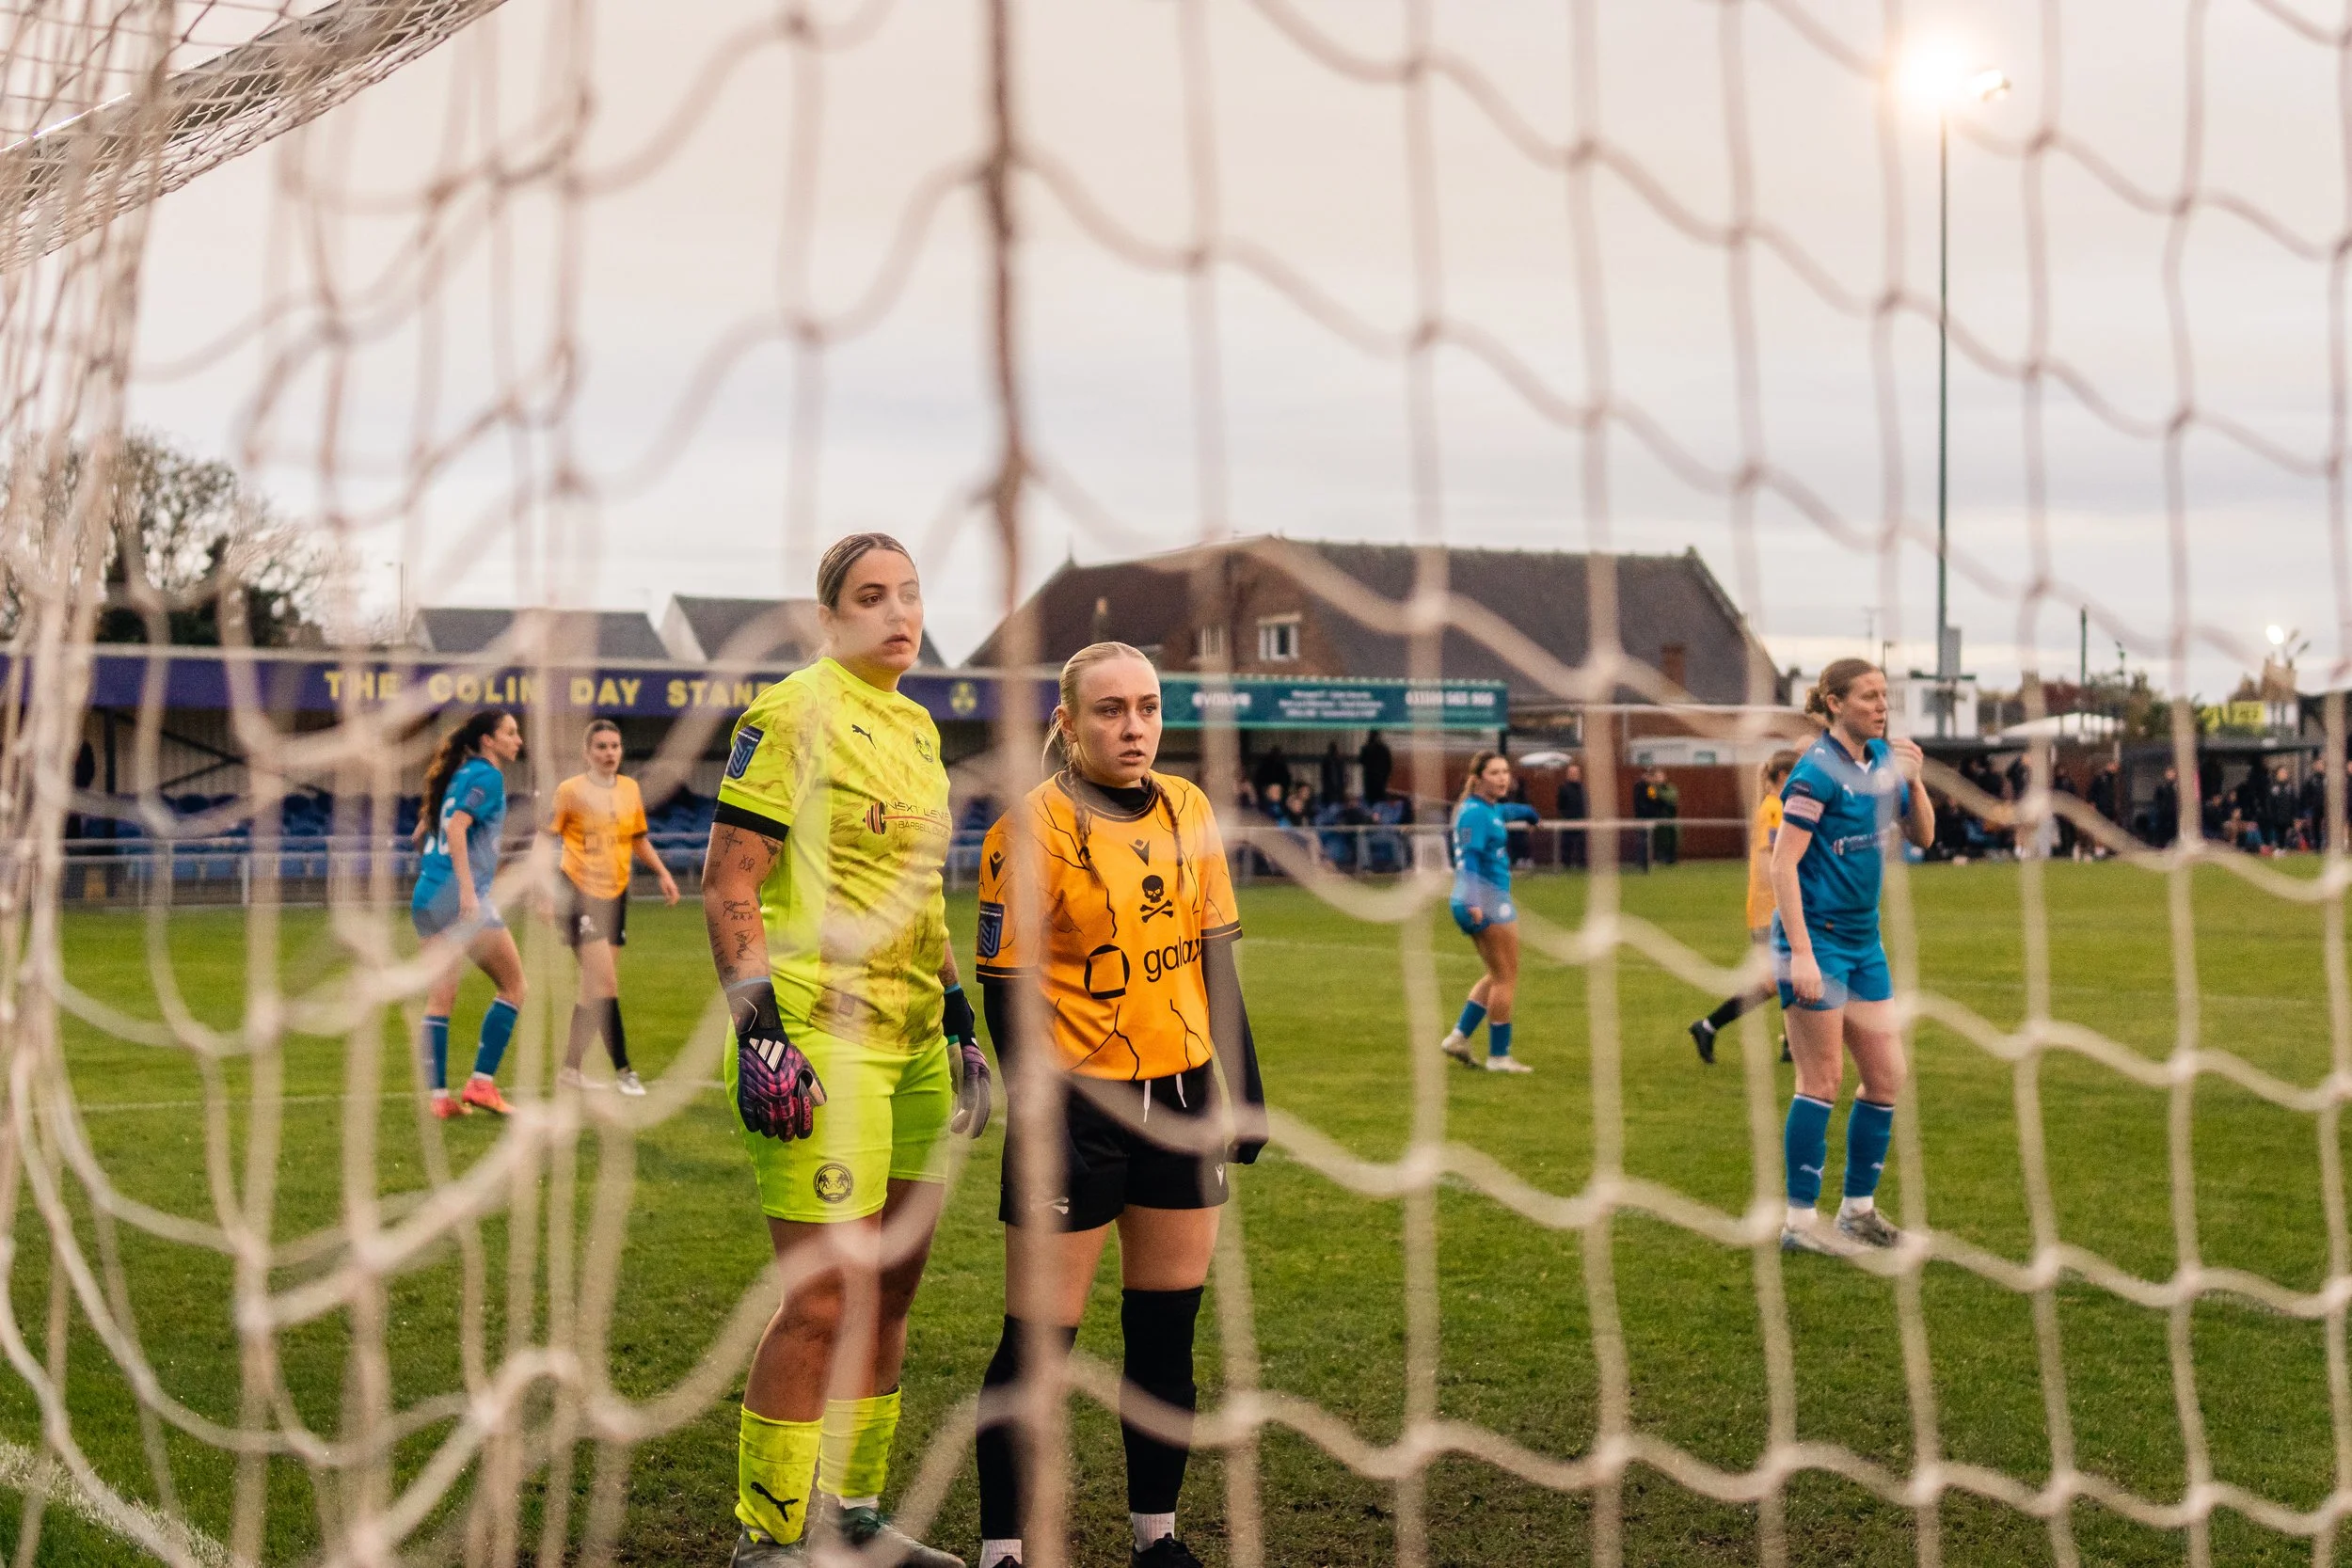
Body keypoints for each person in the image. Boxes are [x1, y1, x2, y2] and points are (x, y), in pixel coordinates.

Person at [700, 532, 980, 1567]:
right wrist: (760, 1033)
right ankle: (769, 1539)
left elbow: (919, 898)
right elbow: (729, 880)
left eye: (909, 594)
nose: (896, 612)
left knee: (893, 1286)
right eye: (870, 596)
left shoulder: (916, 729)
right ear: (828, 617)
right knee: (822, 1294)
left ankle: (852, 1521)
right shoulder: (789, 714)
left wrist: (956, 1015)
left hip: (911, 1040)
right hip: (819, 1039)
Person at [971, 641, 1266, 1568]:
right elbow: (1004, 987)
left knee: (1165, 1332)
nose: (1131, 725)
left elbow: (1215, 960)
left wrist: (1246, 1090)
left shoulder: (1189, 809)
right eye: (1108, 709)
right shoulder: (1032, 828)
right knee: (1040, 1342)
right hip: (1076, 1109)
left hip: (1179, 1101)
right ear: (1066, 722)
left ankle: (1157, 1537)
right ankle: (1005, 1548)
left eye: (1145, 706)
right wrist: (1039, 1116)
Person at [1771, 658, 1934, 1256]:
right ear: (1835, 704)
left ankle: (1858, 1212)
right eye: (1869, 696)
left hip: (1865, 943)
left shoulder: (1884, 760)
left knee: (1887, 1076)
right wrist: (1804, 957)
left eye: (1885, 696)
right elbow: (1781, 863)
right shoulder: (1815, 774)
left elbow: (1924, 838)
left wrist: (1914, 781)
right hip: (1814, 941)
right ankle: (1797, 1223)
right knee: (1822, 1078)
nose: (1881, 705)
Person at [543, 718, 678, 1096]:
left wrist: (663, 873)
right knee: (606, 982)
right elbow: (545, 839)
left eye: (614, 746)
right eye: (601, 747)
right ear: (587, 752)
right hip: (576, 892)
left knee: (592, 989)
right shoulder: (570, 791)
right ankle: (624, 1070)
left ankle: (571, 1070)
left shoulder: (630, 789)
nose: (609, 753)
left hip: (616, 895)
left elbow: (637, 839)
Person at [411, 709, 528, 1119]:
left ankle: (440, 1099)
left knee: (440, 997)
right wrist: (467, 891)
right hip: (459, 899)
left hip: (426, 894)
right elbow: (458, 828)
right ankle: (481, 1084)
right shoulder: (487, 776)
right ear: (488, 740)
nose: (518, 739)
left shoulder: (456, 775)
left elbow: (428, 829)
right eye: (510, 733)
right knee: (514, 987)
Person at [1687, 750, 1798, 1067]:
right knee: (1774, 981)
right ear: (1781, 778)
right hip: (1769, 910)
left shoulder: (1776, 807)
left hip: (1774, 907)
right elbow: (1770, 857)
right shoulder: (1774, 809)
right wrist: (1783, 894)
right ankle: (1708, 1026)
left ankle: (1791, 1045)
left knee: (1790, 975)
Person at [1438, 751, 1542, 1074]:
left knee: (1496, 974)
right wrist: (1473, 902)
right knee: (1506, 979)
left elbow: (1506, 811)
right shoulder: (1475, 815)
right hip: (1486, 902)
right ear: (1479, 777)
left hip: (1479, 900)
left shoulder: (1485, 809)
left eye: (1505, 771)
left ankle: (1458, 1037)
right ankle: (1499, 1057)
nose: (1503, 778)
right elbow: (1468, 860)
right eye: (1495, 772)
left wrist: (1530, 813)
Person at [1555, 759, 1587, 870]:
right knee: (1567, 844)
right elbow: (1560, 805)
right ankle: (1566, 864)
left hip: (1581, 821)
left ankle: (1581, 864)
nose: (1574, 775)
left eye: (1576, 773)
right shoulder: (1563, 788)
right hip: (1568, 821)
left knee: (1581, 844)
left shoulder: (1583, 788)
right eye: (1572, 773)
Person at [1359, 728, 1393, 805]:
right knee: (1380, 801)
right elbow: (1389, 765)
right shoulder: (1384, 749)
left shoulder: (1366, 748)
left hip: (1369, 781)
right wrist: (1385, 776)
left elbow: (1361, 761)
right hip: (1380, 780)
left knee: (1370, 802)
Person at [1319, 739, 1346, 807]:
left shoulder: (1339, 761)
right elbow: (1325, 775)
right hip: (1331, 789)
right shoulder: (1327, 760)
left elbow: (1342, 774)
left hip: (1337, 788)